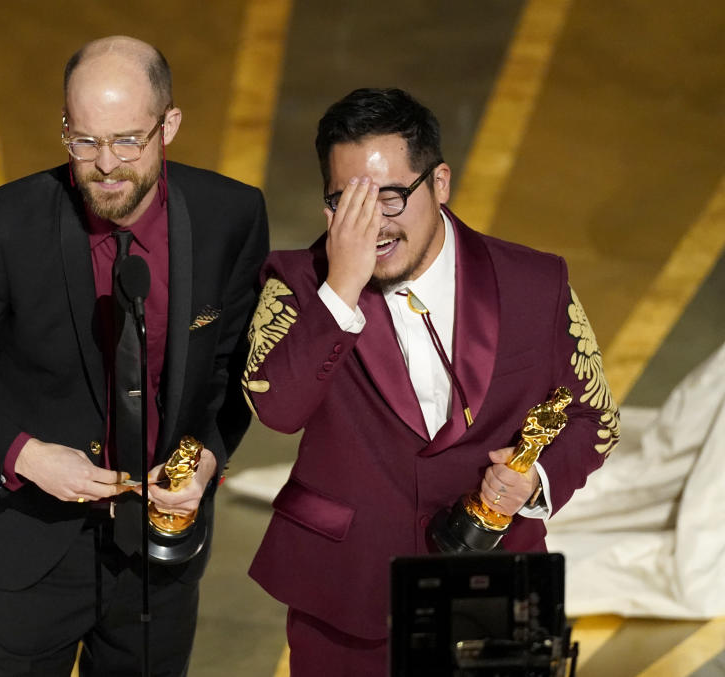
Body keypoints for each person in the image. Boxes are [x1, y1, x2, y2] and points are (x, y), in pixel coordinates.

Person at [0, 36, 268, 676]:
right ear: (65, 129)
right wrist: (26, 455)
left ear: (168, 126)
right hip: (31, 544)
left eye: (128, 140)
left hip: (163, 551)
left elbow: (234, 367)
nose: (105, 165)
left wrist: (205, 458)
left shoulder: (229, 215)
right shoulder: (3, 225)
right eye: (84, 141)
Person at [241, 88, 619, 675]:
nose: (373, 224)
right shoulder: (296, 284)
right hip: (346, 594)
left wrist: (534, 481)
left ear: (440, 183)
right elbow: (278, 409)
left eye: (390, 197)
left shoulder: (536, 281)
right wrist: (341, 288)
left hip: (495, 580)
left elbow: (595, 416)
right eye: (348, 202)